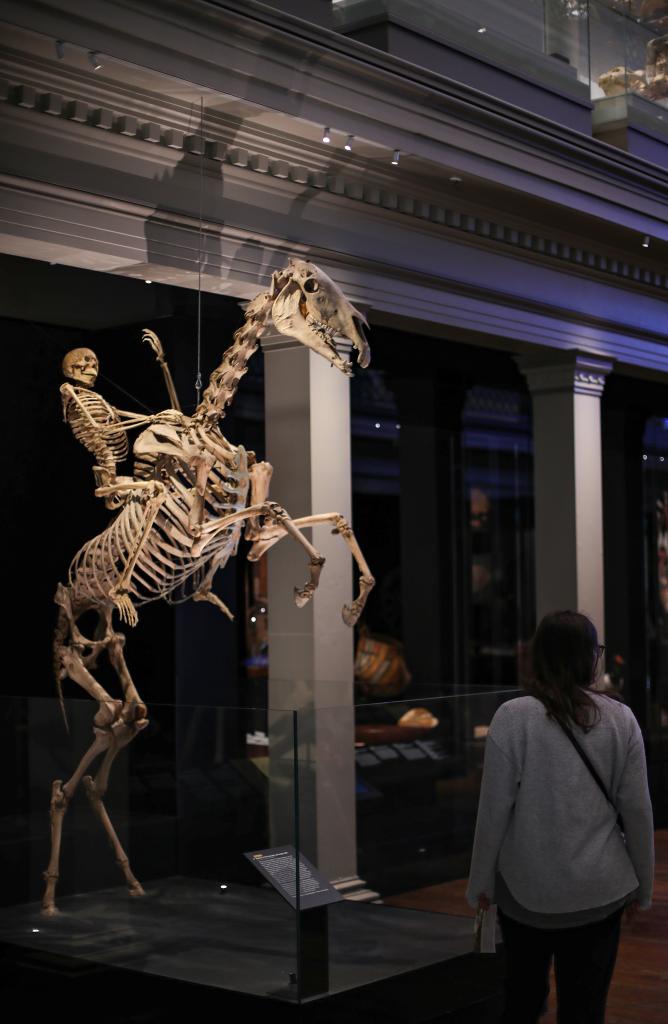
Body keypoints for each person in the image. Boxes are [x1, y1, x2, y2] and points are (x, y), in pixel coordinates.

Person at [466, 610, 654, 1024]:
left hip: (524, 889)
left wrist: (480, 883)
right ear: (592, 657)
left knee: (522, 1001)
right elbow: (638, 812)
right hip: (599, 891)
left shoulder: (513, 717)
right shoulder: (620, 720)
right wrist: (643, 885)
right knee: (585, 1009)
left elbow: (493, 811)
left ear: (538, 657)